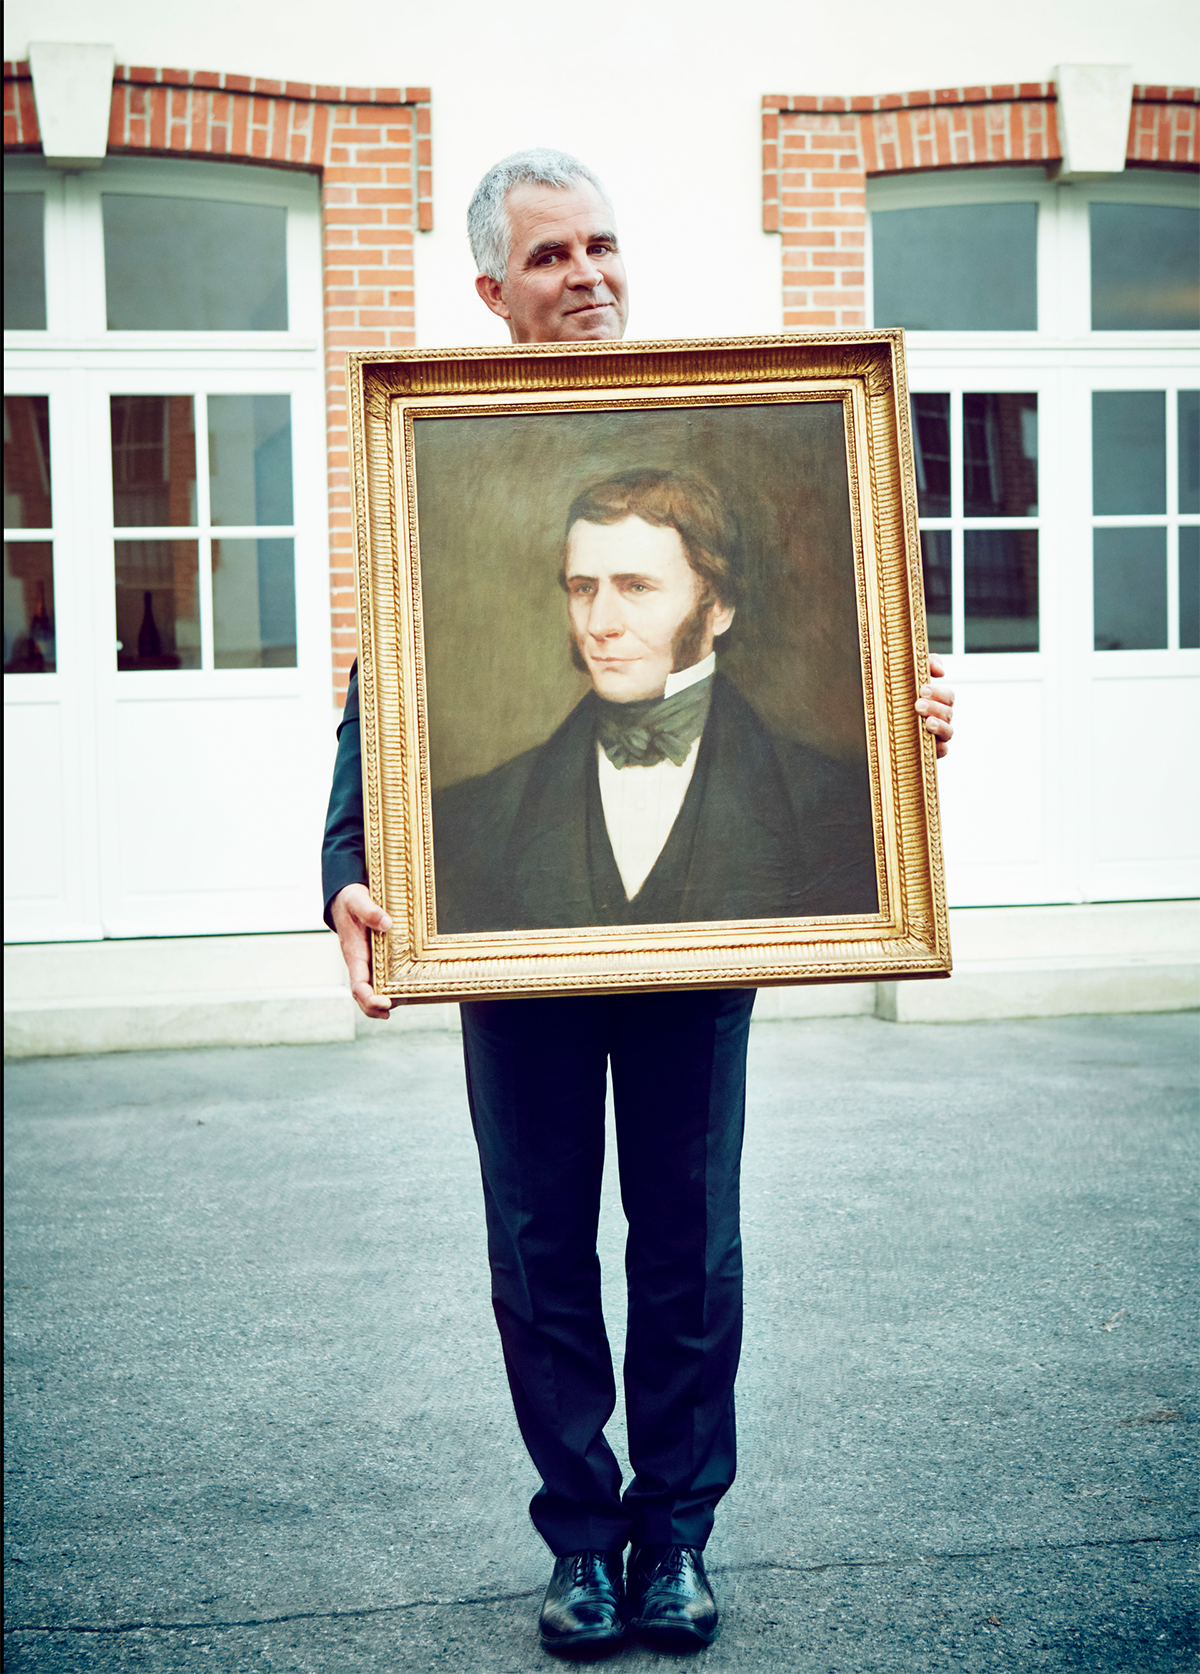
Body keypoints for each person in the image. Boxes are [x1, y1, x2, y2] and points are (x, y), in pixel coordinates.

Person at [323, 150, 955, 1660]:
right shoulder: (439, 444)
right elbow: (381, 697)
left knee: (688, 1242)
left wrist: (901, 720)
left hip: (706, 923)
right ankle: (583, 1542)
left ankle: (679, 1536)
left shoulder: (723, 416)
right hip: (511, 923)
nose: (589, 274)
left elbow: (865, 659)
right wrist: (352, 859)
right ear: (492, 290)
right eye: (550, 257)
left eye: (605, 243)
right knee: (539, 1248)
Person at [432, 467, 878, 934]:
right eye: (584, 588)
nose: (600, 623)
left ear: (718, 607)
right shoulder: (474, 814)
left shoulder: (835, 804)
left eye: (637, 587)